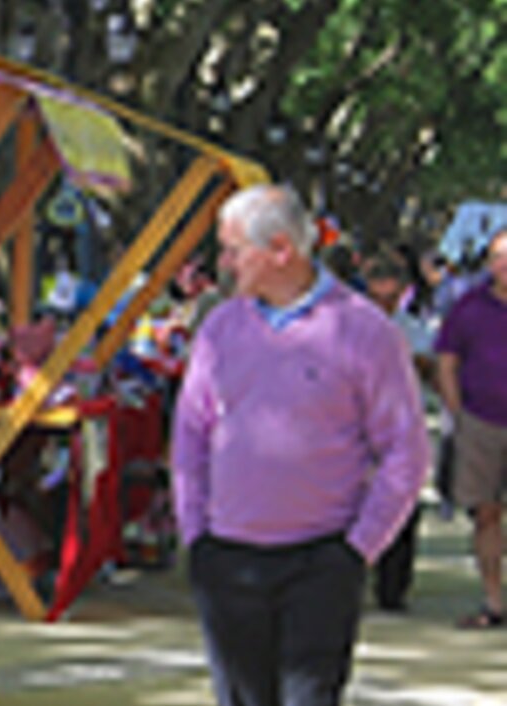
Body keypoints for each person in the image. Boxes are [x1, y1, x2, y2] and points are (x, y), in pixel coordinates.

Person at [172, 185, 429, 705]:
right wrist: (196, 535)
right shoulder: (220, 328)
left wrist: (360, 548)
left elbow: (406, 450)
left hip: (321, 563)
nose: (223, 264)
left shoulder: (364, 331)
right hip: (228, 560)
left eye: (233, 250)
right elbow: (189, 436)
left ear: (281, 250)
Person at [435, 228, 507, 629]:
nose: (504, 265)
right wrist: (457, 413)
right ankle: (494, 601)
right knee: (486, 513)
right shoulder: (469, 307)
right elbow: (447, 361)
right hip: (481, 422)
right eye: (498, 257)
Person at [362, 253, 436, 611]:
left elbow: (428, 366)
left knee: (402, 505)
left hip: (402, 425)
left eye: (391, 298)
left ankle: (393, 588)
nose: (385, 306)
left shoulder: (412, 327)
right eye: (378, 298)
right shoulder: (350, 327)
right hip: (357, 427)